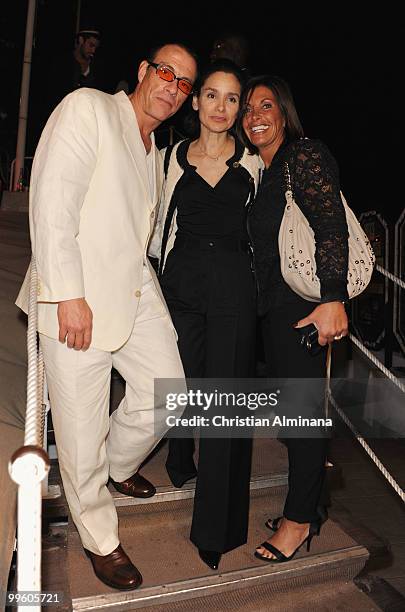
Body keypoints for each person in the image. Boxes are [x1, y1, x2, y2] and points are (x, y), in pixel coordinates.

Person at [16, 43, 197, 590]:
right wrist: (66, 293)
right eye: (165, 72)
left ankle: (117, 467)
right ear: (143, 72)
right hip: (75, 297)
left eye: (185, 83)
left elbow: (133, 234)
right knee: (79, 427)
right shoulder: (88, 107)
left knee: (170, 391)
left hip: (132, 289)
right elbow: (52, 203)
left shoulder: (153, 149)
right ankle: (99, 536)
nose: (173, 86)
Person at [149, 59, 262, 570]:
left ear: (239, 109)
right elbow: (151, 221)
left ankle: (214, 529)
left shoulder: (256, 163)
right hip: (181, 281)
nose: (220, 107)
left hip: (235, 286)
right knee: (177, 380)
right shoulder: (169, 156)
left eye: (231, 98)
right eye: (211, 95)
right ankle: (177, 455)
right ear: (194, 102)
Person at [237, 75, 349, 563]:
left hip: (304, 309)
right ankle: (312, 505)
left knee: (303, 420)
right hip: (275, 311)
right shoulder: (262, 171)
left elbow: (331, 228)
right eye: (249, 109)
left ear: (284, 112)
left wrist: (333, 299)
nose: (255, 115)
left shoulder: (304, 155)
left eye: (267, 105)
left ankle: (298, 522)